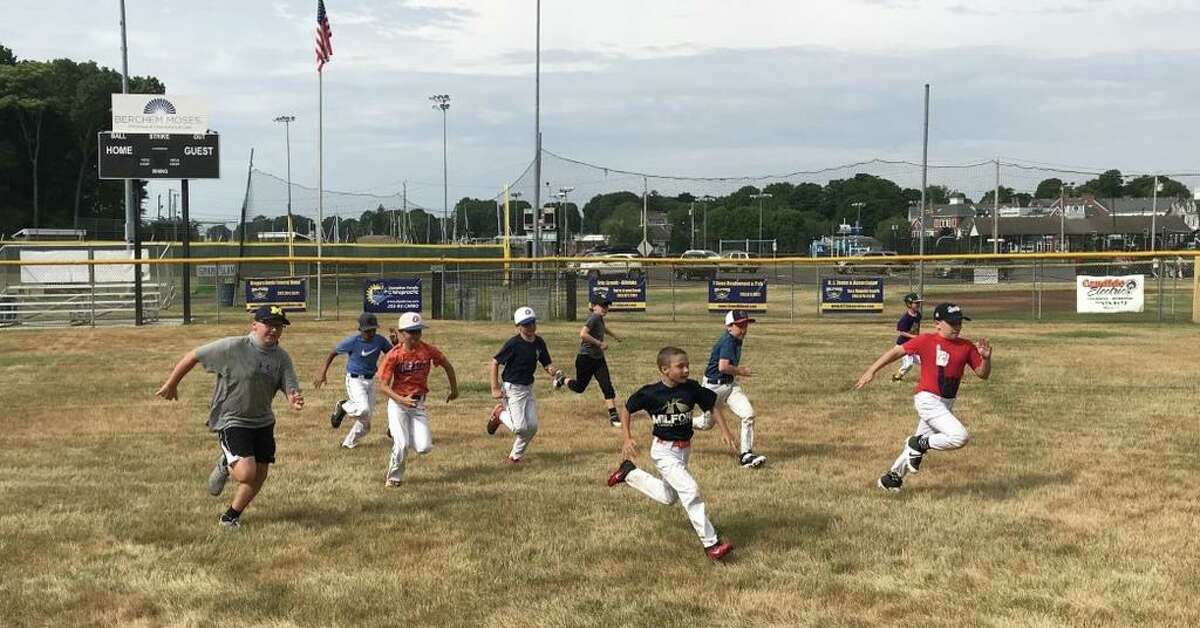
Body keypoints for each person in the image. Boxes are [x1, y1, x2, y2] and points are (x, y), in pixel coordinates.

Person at [156, 305, 304, 528]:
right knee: (246, 474)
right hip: (232, 418)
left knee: (259, 475)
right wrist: (172, 383)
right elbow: (194, 355)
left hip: (263, 421)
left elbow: (289, 384)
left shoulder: (281, 357)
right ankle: (227, 463)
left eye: (279, 326)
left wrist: (293, 397)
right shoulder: (233, 347)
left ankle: (230, 517)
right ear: (254, 325)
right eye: (269, 325)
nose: (274, 330)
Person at [606, 346, 738, 561]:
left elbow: (712, 405)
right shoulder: (651, 393)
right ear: (665, 370)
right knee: (690, 490)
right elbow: (627, 408)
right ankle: (711, 544)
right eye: (680, 367)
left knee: (669, 497)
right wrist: (627, 437)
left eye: (687, 365)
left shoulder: (692, 388)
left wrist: (725, 431)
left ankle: (629, 473)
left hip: (684, 449)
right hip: (663, 451)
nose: (686, 370)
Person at [854, 303, 993, 493]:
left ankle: (891, 479)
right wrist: (871, 371)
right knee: (959, 437)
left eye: (960, 322)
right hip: (927, 399)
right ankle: (918, 443)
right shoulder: (925, 340)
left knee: (916, 448)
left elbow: (982, 374)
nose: (958, 327)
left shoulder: (966, 346)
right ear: (938, 324)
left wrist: (985, 358)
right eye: (952, 323)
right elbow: (896, 352)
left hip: (946, 403)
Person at [376, 312, 458, 486]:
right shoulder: (394, 355)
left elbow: (447, 365)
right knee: (402, 444)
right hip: (398, 403)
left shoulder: (427, 350)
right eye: (411, 332)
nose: (415, 336)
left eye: (418, 331)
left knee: (424, 447)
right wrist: (401, 399)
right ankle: (394, 478)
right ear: (401, 333)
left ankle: (396, 431)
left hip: (418, 403)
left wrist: (454, 389)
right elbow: (383, 386)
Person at [486, 306, 561, 464]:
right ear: (518, 326)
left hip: (528, 388)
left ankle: (514, 457)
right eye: (526, 324)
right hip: (512, 388)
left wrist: (553, 371)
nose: (531, 327)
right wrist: (495, 388)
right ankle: (500, 414)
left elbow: (546, 363)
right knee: (520, 428)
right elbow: (495, 362)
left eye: (532, 322)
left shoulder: (539, 342)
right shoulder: (514, 344)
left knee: (532, 427)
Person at [313, 312, 394, 449]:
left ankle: (348, 443)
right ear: (361, 329)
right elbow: (333, 352)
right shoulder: (353, 341)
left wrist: (395, 343)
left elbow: (392, 354)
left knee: (366, 423)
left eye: (373, 330)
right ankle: (343, 406)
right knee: (363, 409)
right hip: (355, 379)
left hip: (370, 380)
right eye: (367, 330)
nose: (371, 333)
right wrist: (323, 372)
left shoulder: (379, 340)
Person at [697, 310, 766, 468]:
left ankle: (746, 454)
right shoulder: (728, 341)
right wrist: (741, 371)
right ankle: (679, 423)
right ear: (729, 327)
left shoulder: (736, 339)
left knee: (748, 414)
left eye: (745, 324)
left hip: (730, 385)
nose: (744, 329)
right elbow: (723, 367)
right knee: (705, 424)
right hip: (713, 387)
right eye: (740, 325)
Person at [554, 289, 622, 426]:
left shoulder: (599, 318)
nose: (605, 308)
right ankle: (562, 379)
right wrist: (599, 343)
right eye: (602, 305)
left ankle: (613, 415)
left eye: (607, 305)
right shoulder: (594, 318)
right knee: (579, 388)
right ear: (593, 306)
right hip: (585, 359)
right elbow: (583, 334)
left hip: (598, 359)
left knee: (607, 386)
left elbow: (603, 328)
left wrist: (615, 336)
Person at [891, 293, 923, 381]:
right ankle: (896, 377)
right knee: (909, 364)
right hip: (903, 345)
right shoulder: (905, 318)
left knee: (924, 360)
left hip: (914, 344)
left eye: (919, 303)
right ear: (909, 304)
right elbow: (902, 332)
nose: (918, 305)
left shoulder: (918, 315)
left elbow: (916, 329)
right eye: (916, 303)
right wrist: (914, 337)